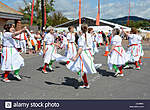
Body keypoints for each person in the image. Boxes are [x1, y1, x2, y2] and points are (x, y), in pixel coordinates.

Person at [67, 24, 97, 89]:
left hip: (83, 53)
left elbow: (80, 48)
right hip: (88, 53)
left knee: (80, 67)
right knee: (83, 67)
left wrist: (76, 56)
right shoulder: (89, 35)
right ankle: (84, 81)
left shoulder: (82, 37)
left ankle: (85, 83)